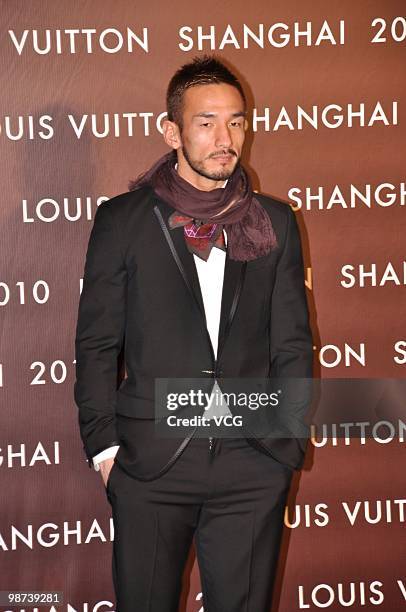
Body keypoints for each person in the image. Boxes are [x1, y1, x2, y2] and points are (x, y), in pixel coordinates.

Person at [74, 54, 313, 612]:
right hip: (151, 463)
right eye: (205, 122)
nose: (224, 137)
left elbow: (292, 342)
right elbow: (97, 343)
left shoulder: (274, 222)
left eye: (235, 121)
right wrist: (105, 448)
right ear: (172, 131)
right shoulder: (122, 220)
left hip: (253, 463)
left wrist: (284, 444)